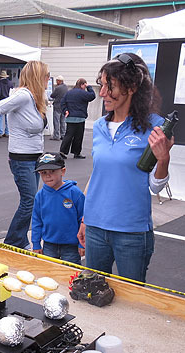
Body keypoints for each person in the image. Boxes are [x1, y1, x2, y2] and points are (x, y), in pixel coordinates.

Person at [78, 53, 173, 283]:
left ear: (131, 88)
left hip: (131, 232)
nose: (102, 94)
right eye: (102, 86)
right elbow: (98, 174)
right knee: (92, 294)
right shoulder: (100, 126)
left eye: (110, 87)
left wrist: (163, 160)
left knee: (132, 303)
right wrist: (84, 219)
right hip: (95, 228)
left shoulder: (155, 127)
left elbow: (155, 184)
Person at [0, 61, 50, 250]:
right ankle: (13, 241)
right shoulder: (23, 96)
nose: (48, 79)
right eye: (46, 75)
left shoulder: (35, 98)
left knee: (31, 201)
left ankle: (19, 240)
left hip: (34, 159)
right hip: (22, 159)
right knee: (29, 201)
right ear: (37, 77)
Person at [31, 152, 85, 265]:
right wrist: (36, 243)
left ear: (63, 171)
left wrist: (82, 243)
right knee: (50, 273)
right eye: (44, 173)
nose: (48, 176)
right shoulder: (40, 196)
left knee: (71, 273)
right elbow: (37, 221)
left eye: (52, 171)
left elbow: (83, 218)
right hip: (49, 245)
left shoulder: (74, 193)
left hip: (71, 245)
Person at [59, 78, 95, 159]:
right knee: (78, 136)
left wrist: (65, 110)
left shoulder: (69, 93)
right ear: (82, 85)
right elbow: (92, 96)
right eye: (85, 85)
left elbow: (62, 102)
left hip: (70, 117)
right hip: (80, 117)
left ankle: (63, 151)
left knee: (68, 135)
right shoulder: (83, 93)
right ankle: (76, 152)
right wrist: (89, 87)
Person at [49, 75, 68, 140]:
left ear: (59, 81)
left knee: (56, 121)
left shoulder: (58, 88)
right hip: (64, 107)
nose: (56, 82)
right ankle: (63, 135)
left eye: (57, 81)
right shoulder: (66, 87)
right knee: (63, 121)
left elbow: (52, 95)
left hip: (57, 106)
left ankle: (56, 136)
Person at [0, 70, 14, 138]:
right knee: (7, 117)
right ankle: (7, 132)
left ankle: (0, 132)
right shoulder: (10, 83)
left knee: (0, 116)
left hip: (1, 100)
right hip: (8, 100)